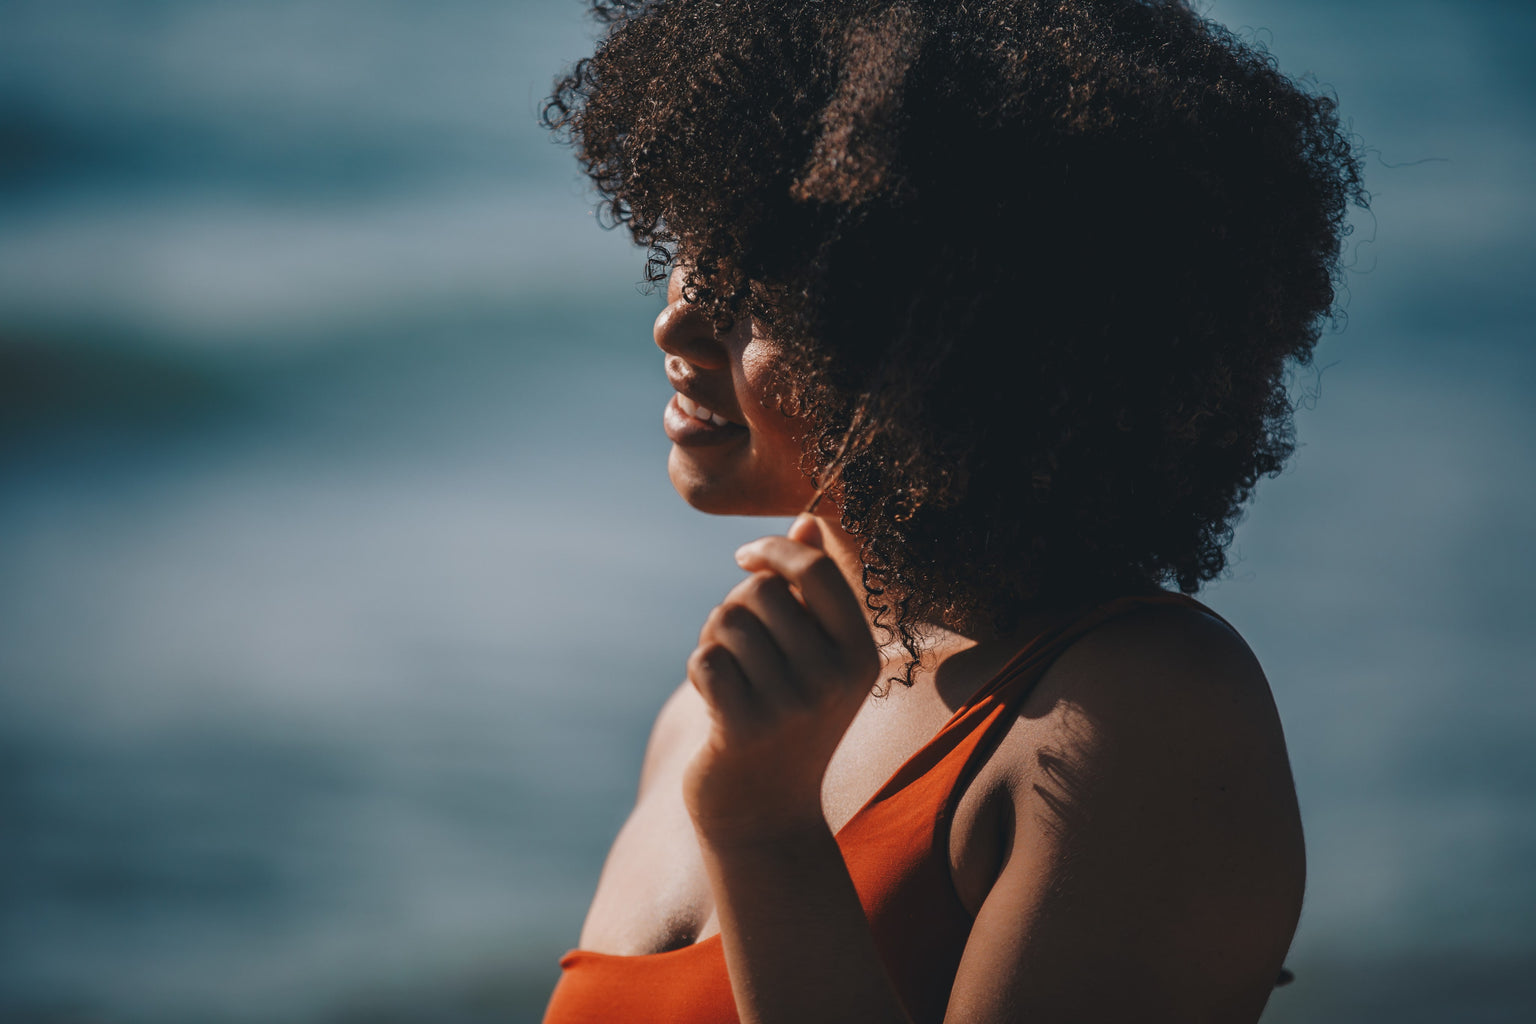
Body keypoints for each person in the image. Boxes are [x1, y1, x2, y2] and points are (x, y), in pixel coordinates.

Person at [540, 1, 1365, 1021]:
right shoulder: (726, 708)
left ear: (957, 340)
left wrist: (767, 832)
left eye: (768, 281)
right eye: (695, 243)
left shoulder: (1141, 713)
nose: (679, 314)